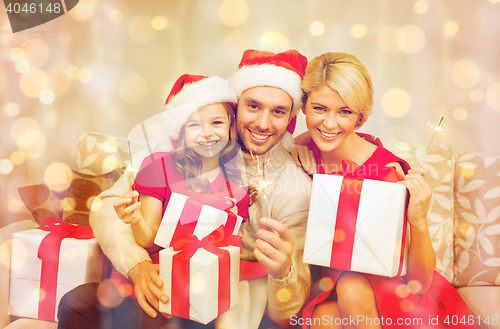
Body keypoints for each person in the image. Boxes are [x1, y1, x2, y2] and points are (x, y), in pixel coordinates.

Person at [58, 49, 312, 329]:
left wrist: (282, 271)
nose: (263, 124)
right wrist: (137, 265)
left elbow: (290, 312)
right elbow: (106, 208)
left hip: (232, 307)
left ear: (290, 117)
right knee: (77, 303)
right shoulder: (183, 148)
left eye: (278, 112)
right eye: (253, 106)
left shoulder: (295, 186)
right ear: (235, 107)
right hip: (167, 279)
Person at [291, 52, 477, 328]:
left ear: (360, 118)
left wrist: (419, 219)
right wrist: (289, 148)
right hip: (333, 287)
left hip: (396, 293)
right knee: (323, 318)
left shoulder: (387, 172)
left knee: (351, 285)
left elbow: (418, 282)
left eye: (344, 112)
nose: (329, 124)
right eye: (320, 109)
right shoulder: (306, 146)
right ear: (304, 107)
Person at [113, 74, 248, 253]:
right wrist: (136, 220)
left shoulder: (236, 187)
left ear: (230, 127)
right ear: (182, 132)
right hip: (163, 269)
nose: (207, 133)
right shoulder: (157, 167)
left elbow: (227, 251)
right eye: (194, 125)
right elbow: (151, 242)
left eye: (217, 123)